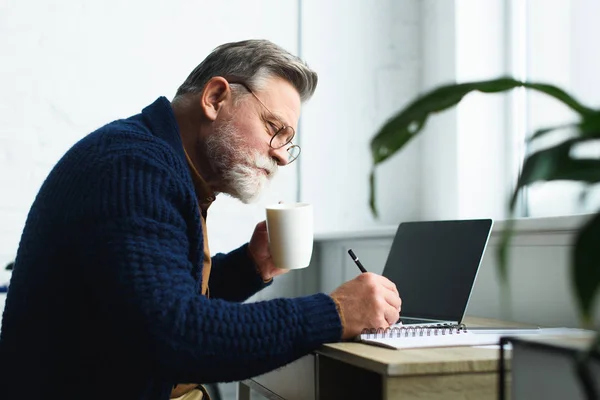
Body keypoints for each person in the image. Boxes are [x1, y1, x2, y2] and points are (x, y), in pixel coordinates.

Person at [0, 39, 402, 400]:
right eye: (274, 129)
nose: (281, 154)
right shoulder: (133, 168)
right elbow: (177, 335)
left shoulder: (160, 163)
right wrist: (335, 312)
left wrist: (250, 267)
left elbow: (152, 299)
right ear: (214, 97)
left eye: (288, 142)